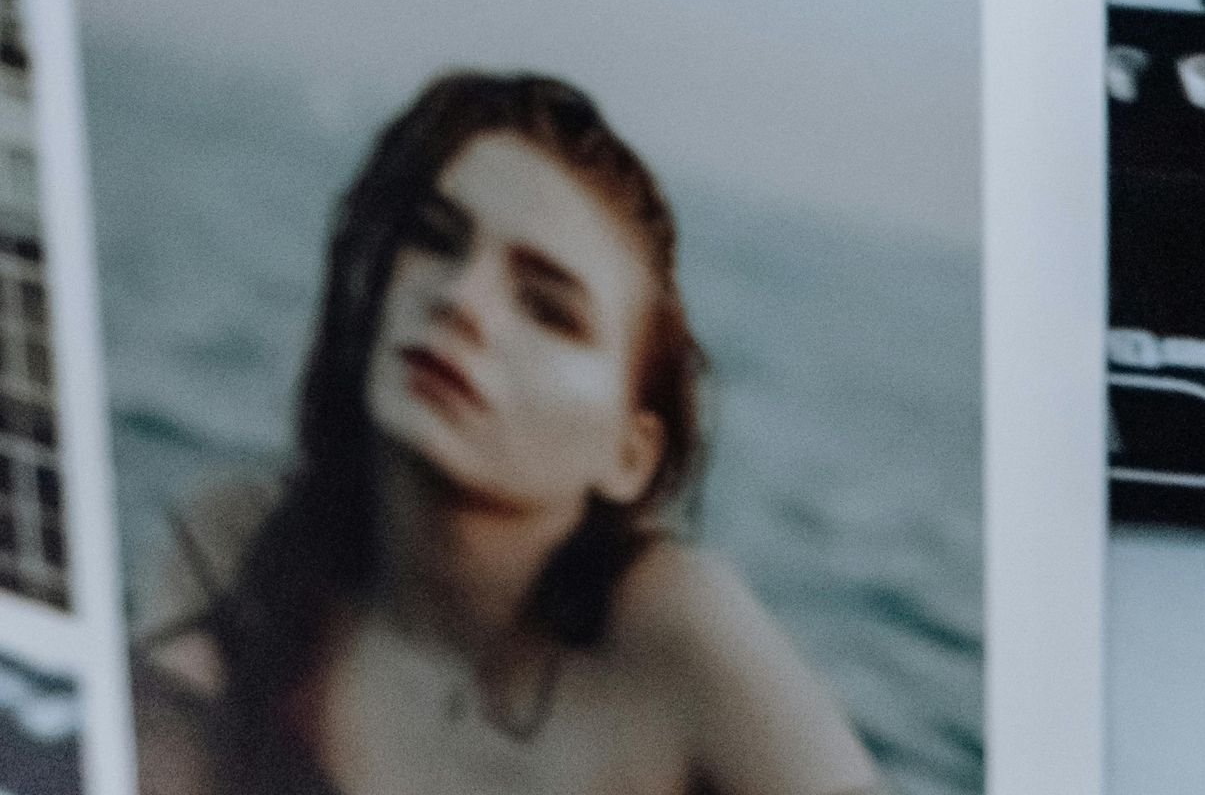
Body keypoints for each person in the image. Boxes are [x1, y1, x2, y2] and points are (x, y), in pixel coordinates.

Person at [133, 72, 879, 795]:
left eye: (548, 309)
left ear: (630, 455)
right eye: (435, 238)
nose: (460, 300)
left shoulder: (679, 638)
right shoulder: (240, 546)